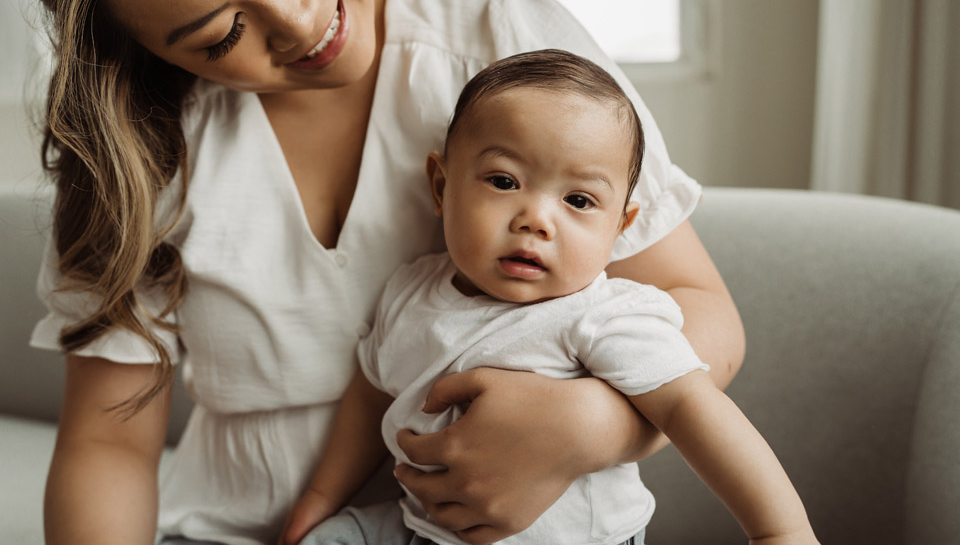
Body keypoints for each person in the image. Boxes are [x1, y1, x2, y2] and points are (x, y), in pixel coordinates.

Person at [0, 0, 744, 543]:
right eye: (222, 36)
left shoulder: (503, 44)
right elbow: (108, 443)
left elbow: (698, 308)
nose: (298, 21)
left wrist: (592, 425)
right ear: (143, 48)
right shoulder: (137, 147)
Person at [279, 50, 817, 545]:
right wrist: (322, 497)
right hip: (423, 527)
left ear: (619, 227)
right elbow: (371, 394)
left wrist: (780, 532)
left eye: (578, 200)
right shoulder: (409, 291)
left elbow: (693, 409)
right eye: (504, 181)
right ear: (441, 187)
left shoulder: (601, 316)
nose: (536, 219)